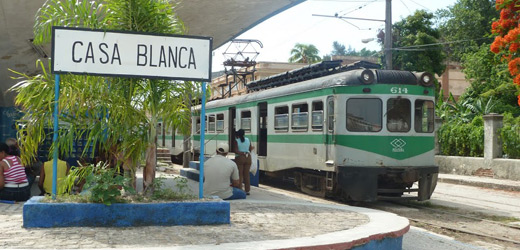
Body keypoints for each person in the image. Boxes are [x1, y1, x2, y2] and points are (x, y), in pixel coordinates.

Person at [233, 129, 254, 195]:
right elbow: (250, 149)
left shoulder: (236, 141)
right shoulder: (248, 140)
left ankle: (240, 189)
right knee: (246, 174)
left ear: (238, 135)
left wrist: (241, 153)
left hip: (240, 157)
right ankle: (247, 190)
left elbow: (236, 150)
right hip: (248, 157)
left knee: (240, 174)